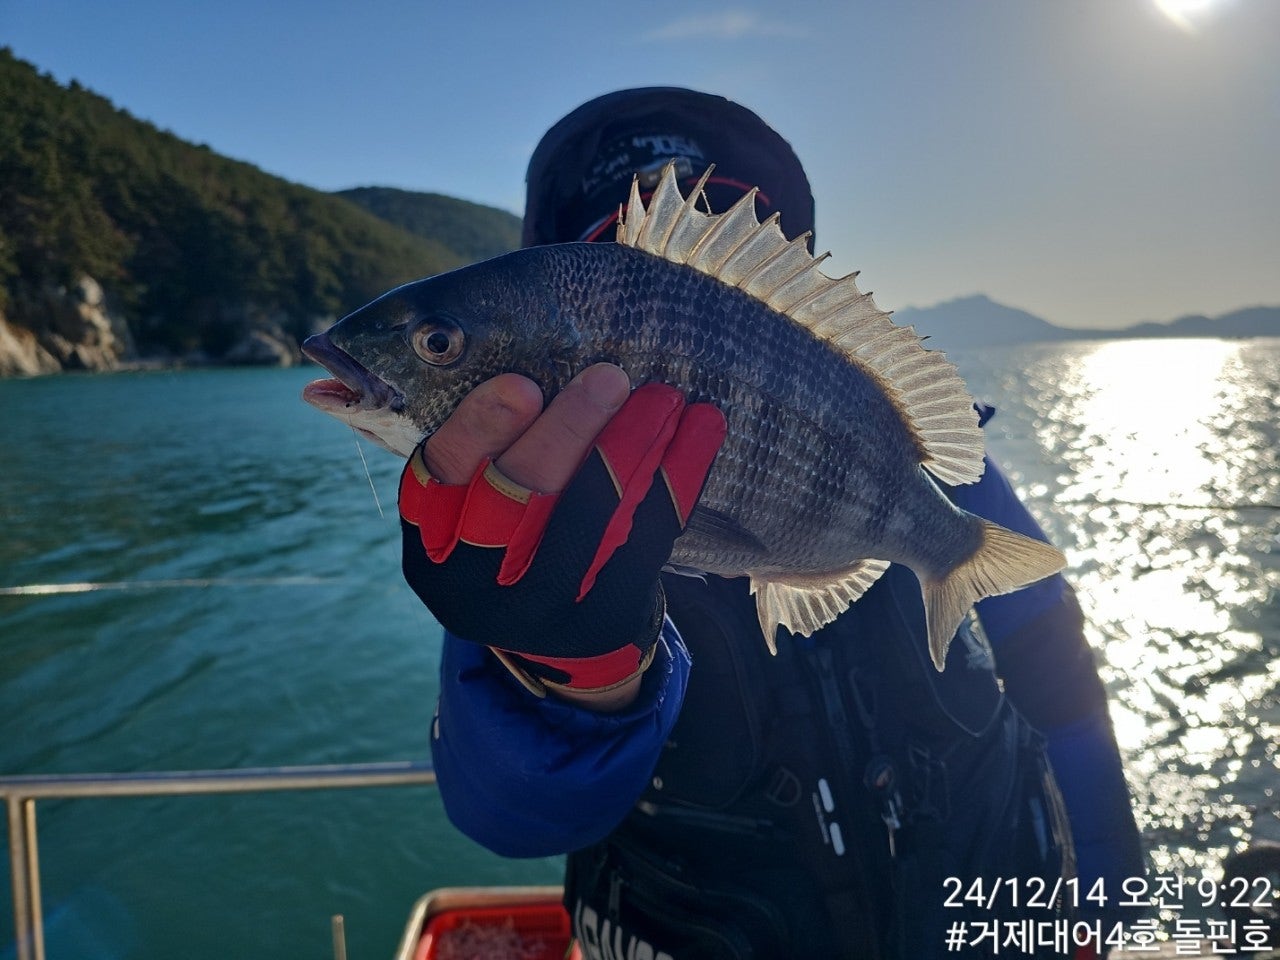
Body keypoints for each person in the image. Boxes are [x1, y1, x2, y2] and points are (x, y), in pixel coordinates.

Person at [399, 87, 1144, 958]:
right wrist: (566, 672)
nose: (684, 307)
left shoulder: (951, 485)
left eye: (741, 254)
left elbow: (1060, 683)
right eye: (628, 262)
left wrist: (1110, 900)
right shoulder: (516, 548)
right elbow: (507, 816)